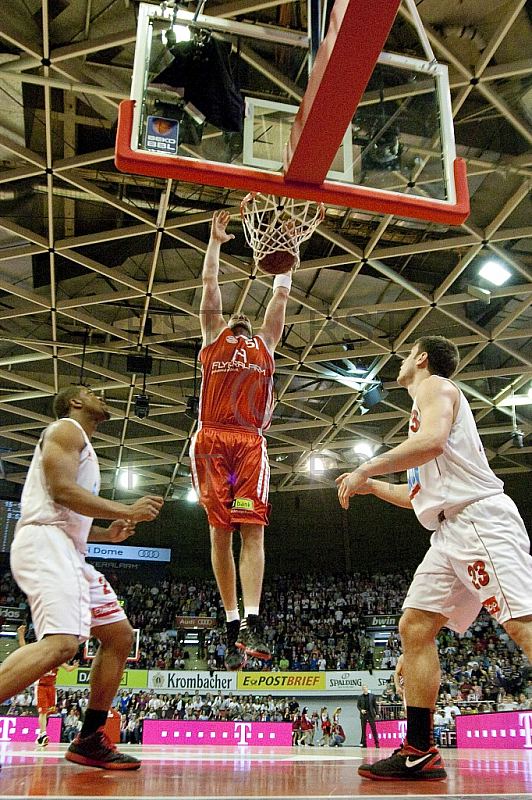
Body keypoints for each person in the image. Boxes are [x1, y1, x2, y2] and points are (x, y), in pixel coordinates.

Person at [337, 335, 532, 781]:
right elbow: (420, 496)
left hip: (479, 519)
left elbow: (434, 441)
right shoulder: (422, 407)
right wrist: (373, 487)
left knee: (523, 624)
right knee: (415, 626)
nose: (403, 361)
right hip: (448, 529)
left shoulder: (435, 387)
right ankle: (420, 750)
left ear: (421, 359)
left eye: (408, 353)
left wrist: (369, 466)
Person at [3, 384, 163, 770]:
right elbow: (60, 492)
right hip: (45, 543)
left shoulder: (83, 446)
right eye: (91, 392)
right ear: (74, 402)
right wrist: (124, 508)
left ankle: (89, 738)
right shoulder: (65, 429)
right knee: (61, 645)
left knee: (119, 636)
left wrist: (106, 535)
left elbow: (68, 514)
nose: (101, 396)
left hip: (67, 547)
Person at [190, 210, 292, 671]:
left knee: (252, 528)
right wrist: (214, 243)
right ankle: (231, 620)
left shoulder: (266, 345)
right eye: (233, 314)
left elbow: (281, 298)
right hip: (212, 440)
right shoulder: (213, 336)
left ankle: (251, 620)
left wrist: (286, 256)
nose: (238, 315)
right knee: (219, 529)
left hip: (249, 443)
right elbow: (209, 287)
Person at [16, 624, 79, 747]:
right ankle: (43, 733)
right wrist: (21, 635)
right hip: (41, 687)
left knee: (49, 713)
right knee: (43, 713)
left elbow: (68, 669)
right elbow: (23, 649)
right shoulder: (39, 657)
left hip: (51, 688)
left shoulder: (57, 659)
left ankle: (40, 735)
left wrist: (74, 667)